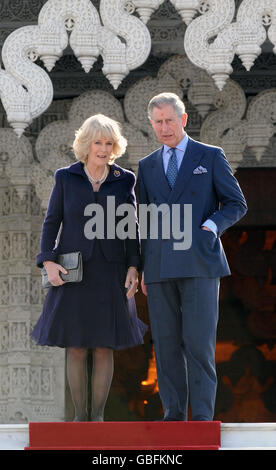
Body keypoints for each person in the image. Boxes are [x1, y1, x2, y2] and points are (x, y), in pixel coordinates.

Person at [137, 92, 247, 421]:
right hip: (159, 266)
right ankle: (173, 416)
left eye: (170, 120)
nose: (164, 127)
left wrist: (210, 227)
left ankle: (200, 419)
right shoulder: (147, 165)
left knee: (198, 344)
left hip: (201, 262)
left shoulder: (210, 156)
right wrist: (143, 267)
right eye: (158, 122)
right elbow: (143, 219)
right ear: (152, 124)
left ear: (183, 119)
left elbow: (236, 204)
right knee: (166, 345)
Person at [31, 114, 147, 422]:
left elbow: (130, 226)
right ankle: (79, 418)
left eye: (109, 143)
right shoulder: (65, 177)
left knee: (103, 346)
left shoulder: (125, 179)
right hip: (73, 272)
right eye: (98, 142)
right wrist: (48, 260)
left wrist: (134, 266)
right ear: (86, 144)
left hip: (111, 271)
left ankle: (97, 418)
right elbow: (52, 221)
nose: (104, 149)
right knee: (78, 345)